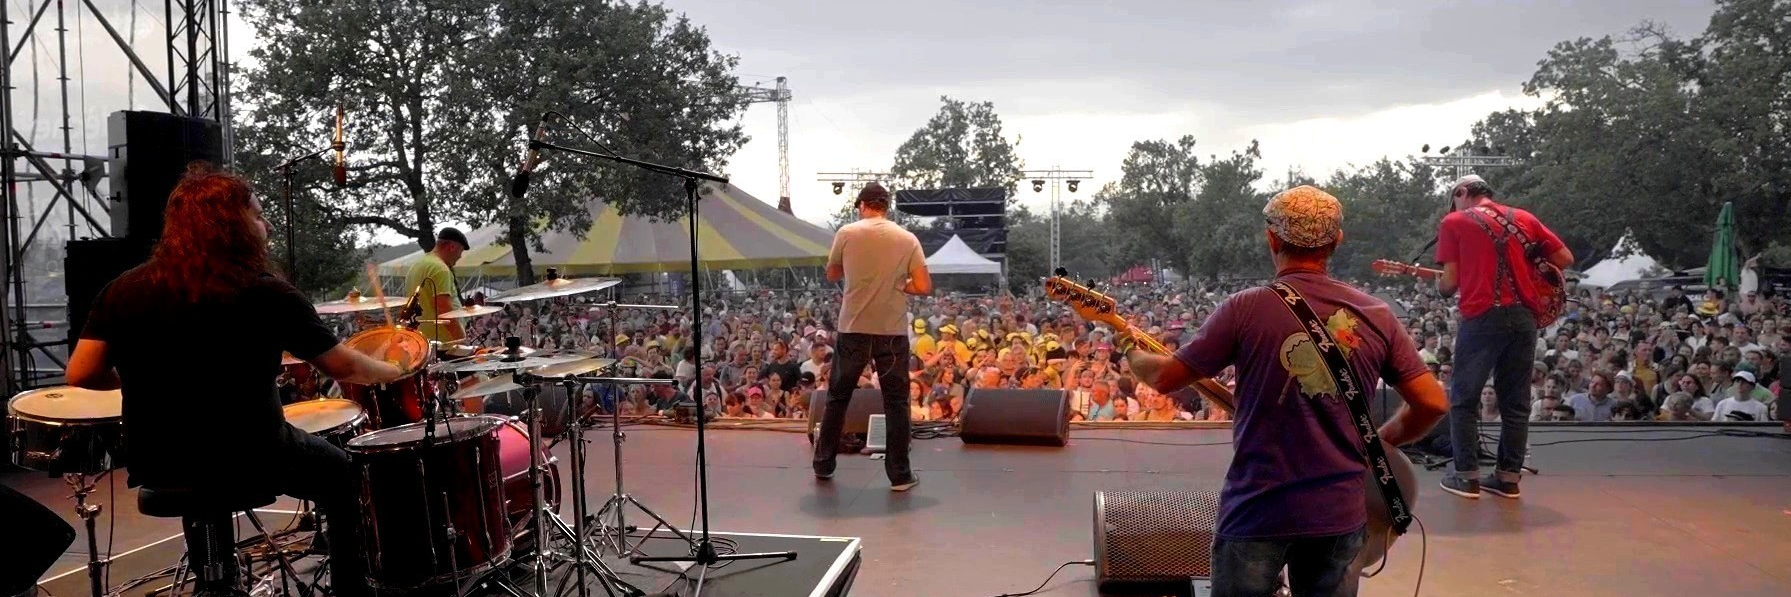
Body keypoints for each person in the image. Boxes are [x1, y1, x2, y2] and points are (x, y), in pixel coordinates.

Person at [64, 165, 408, 597]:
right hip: (253, 454)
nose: (265, 225)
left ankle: (217, 580)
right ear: (232, 225)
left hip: (158, 460)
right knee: (342, 475)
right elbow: (345, 368)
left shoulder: (123, 289)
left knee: (198, 473)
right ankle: (352, 592)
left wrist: (145, 379)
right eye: (259, 215)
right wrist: (395, 369)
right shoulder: (266, 292)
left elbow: (81, 372)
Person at [1126, 186, 1447, 597]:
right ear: (1337, 241)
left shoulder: (1245, 308)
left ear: (1272, 238)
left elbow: (1164, 378)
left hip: (1257, 509)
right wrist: (1382, 441)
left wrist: (1128, 348)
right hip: (1339, 511)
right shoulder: (1376, 314)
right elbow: (1432, 402)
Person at [1435, 174, 1573, 500]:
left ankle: (1466, 476)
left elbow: (1449, 284)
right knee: (1516, 403)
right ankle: (1508, 478)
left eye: (1454, 198)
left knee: (1464, 399)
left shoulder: (1454, 221)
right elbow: (1565, 259)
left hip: (1482, 316)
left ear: (1462, 192)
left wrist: (1440, 286)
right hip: (1524, 319)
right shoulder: (1523, 218)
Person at [813, 182, 930, 492]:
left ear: (862, 205)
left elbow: (832, 274)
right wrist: (901, 284)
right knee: (896, 401)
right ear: (886, 206)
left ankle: (824, 464)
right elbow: (923, 285)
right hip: (891, 331)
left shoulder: (847, 233)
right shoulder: (907, 238)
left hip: (853, 326)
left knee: (838, 397)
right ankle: (900, 475)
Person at [403, 227, 471, 342]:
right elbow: (444, 310)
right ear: (452, 247)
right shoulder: (440, 269)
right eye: (461, 251)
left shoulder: (417, 265)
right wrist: (460, 340)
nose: (460, 256)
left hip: (422, 340)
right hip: (443, 343)